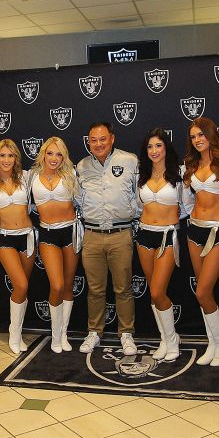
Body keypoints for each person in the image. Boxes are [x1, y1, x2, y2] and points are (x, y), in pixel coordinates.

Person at [76, 121, 140, 355]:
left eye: (103, 139)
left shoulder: (129, 161)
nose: (99, 143)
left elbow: (138, 194)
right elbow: (77, 199)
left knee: (123, 288)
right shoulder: (81, 166)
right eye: (94, 140)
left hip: (121, 234)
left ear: (112, 138)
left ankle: (126, 333)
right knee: (95, 289)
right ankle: (94, 332)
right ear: (88, 142)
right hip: (92, 235)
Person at [184, 116, 219, 367]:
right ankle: (214, 343)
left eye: (201, 135)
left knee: (203, 290)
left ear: (211, 134)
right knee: (203, 292)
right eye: (193, 136)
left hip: (218, 231)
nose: (197, 140)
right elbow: (187, 200)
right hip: (195, 230)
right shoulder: (190, 165)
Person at [135, 128, 190, 361]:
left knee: (158, 291)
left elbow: (187, 207)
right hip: (145, 236)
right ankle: (164, 339)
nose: (154, 151)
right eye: (150, 146)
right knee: (153, 293)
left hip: (168, 236)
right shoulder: (142, 175)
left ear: (166, 147)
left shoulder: (180, 174)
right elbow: (139, 207)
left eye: (158, 145)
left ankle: (173, 338)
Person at [29, 136, 81, 353]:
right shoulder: (31, 176)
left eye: (59, 154)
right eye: (50, 153)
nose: (54, 158)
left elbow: (82, 202)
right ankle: (54, 334)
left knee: (68, 285)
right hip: (48, 234)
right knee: (57, 285)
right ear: (43, 154)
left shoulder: (71, 174)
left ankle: (63, 334)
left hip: (70, 232)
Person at [0, 139, 35, 354]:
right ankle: (14, 334)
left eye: (11, 156)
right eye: (2, 155)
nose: (6, 160)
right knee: (21, 285)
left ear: (16, 158)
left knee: (22, 288)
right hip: (4, 239)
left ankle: (18, 331)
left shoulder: (26, 177)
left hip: (28, 236)